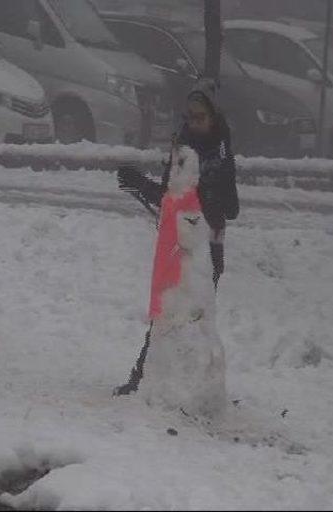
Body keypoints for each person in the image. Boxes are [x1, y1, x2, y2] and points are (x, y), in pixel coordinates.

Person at [114, 79, 239, 396]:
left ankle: (195, 387)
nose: (195, 123)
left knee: (196, 318)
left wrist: (207, 200)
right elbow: (169, 198)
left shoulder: (222, 149)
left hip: (208, 250)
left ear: (212, 116)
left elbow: (232, 206)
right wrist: (141, 184)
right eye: (191, 117)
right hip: (178, 246)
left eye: (201, 117)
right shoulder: (182, 151)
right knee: (166, 313)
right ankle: (145, 378)